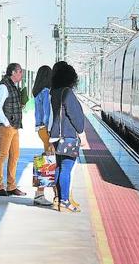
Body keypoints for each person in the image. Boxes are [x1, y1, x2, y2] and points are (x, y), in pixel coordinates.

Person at [49, 61, 85, 212]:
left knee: (58, 167)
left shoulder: (54, 92)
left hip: (56, 137)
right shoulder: (68, 93)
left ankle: (57, 199)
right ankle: (64, 200)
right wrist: (81, 132)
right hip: (68, 136)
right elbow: (75, 115)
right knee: (66, 168)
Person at [0, 63, 26, 197]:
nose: (21, 75)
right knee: (2, 156)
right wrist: (6, 123)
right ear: (13, 72)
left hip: (14, 126)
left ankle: (11, 186)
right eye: (20, 72)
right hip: (5, 126)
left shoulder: (13, 86)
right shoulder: (3, 86)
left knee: (15, 155)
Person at [32, 65, 55, 206]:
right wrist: (51, 132)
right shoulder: (46, 92)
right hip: (46, 129)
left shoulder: (37, 91)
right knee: (49, 160)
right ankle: (39, 194)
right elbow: (47, 113)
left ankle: (41, 193)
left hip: (40, 129)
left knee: (46, 159)